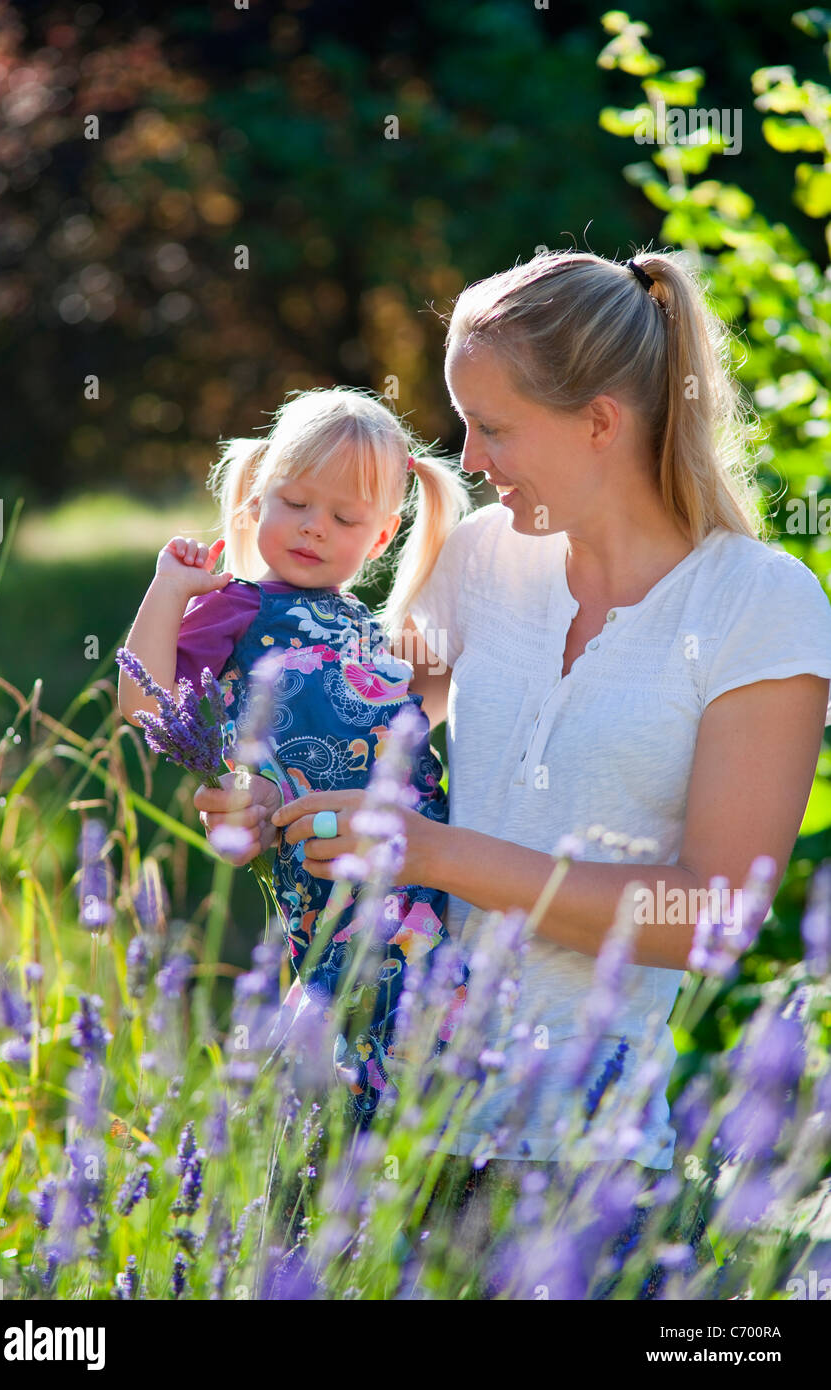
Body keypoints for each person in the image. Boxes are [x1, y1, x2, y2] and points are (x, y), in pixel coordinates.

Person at [195, 249, 831, 1292]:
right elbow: (363, 724)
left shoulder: (758, 605)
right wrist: (266, 785)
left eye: (494, 427)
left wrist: (436, 854)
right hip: (382, 1113)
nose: (472, 459)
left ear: (599, 421)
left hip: (578, 1159)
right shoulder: (485, 554)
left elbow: (713, 917)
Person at [119, 386, 471, 1123]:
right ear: (254, 502)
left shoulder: (371, 629)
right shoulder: (241, 607)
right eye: (295, 503)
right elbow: (145, 705)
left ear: (380, 539)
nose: (314, 529)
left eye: (344, 518)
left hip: (425, 867)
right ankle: (339, 1181)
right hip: (325, 870)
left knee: (428, 1027)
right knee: (349, 1015)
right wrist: (168, 589)